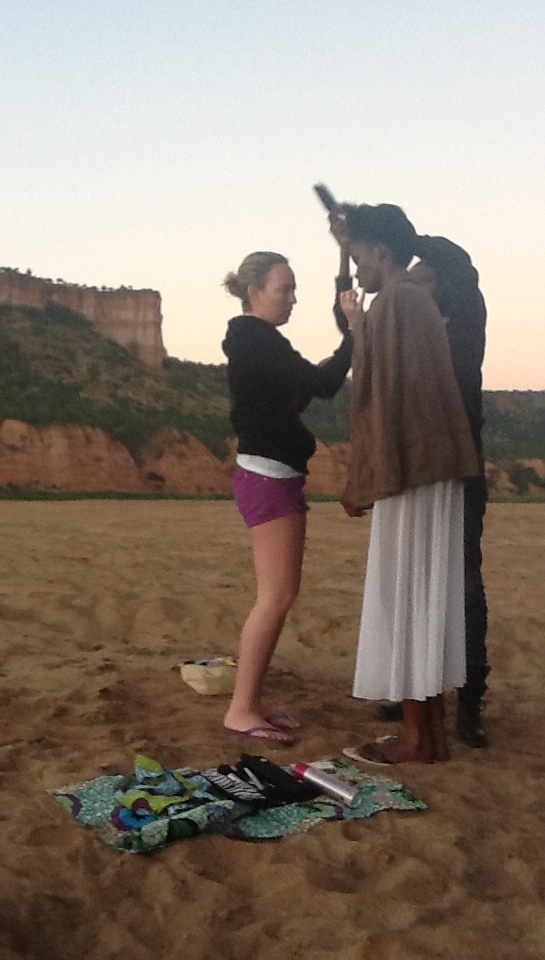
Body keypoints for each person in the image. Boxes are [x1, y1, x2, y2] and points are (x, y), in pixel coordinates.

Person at [335, 204, 479, 763]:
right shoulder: (417, 298)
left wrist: (367, 476)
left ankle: (418, 740)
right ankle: (431, 737)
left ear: (382, 252)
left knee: (408, 599)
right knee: (425, 599)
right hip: (432, 467)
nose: (357, 270)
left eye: (358, 258)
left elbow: (377, 392)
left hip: (412, 470)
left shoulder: (395, 300)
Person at [221, 251, 353, 744]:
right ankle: (241, 709)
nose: (293, 299)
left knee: (280, 596)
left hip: (275, 475)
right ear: (254, 291)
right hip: (268, 477)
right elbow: (323, 384)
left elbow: (307, 386)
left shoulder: (257, 341)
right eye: (285, 289)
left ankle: (250, 702)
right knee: (275, 597)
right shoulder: (256, 338)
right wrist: (354, 334)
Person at [375, 236, 490, 747]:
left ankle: (469, 704)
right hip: (417, 468)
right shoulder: (411, 325)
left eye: (422, 279)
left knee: (464, 585)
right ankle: (412, 690)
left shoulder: (465, 318)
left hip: (460, 472)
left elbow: (457, 261)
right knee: (414, 581)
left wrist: (396, 234)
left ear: (443, 282)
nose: (413, 287)